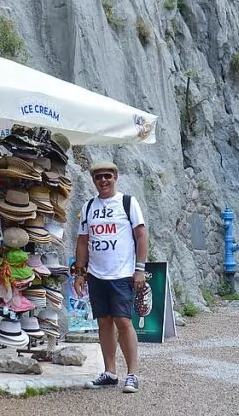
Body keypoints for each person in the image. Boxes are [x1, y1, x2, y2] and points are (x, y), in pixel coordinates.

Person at [74, 162, 148, 393]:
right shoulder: (88, 207)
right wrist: (79, 272)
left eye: (107, 176)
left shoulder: (127, 202)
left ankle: (132, 374)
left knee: (124, 322)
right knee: (104, 322)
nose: (103, 180)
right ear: (93, 180)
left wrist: (140, 268)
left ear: (115, 177)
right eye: (98, 177)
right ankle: (109, 372)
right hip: (96, 274)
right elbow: (83, 241)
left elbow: (141, 235)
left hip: (122, 273)